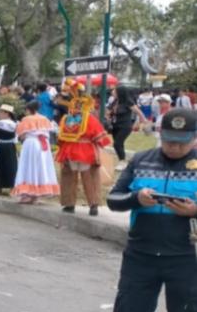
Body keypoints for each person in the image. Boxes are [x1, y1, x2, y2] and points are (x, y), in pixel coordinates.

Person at [81, 108, 197, 312]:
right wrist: (136, 198)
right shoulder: (141, 160)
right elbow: (114, 199)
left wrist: (194, 211)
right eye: (169, 140)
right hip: (141, 254)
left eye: (181, 142)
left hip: (185, 257)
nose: (173, 147)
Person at [56, 80, 111, 216]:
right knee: (91, 178)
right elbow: (99, 137)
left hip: (69, 151)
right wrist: (103, 144)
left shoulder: (65, 119)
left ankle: (69, 204)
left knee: (68, 178)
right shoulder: (89, 119)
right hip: (86, 151)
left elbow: (60, 139)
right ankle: (93, 205)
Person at [12, 101, 59, 203]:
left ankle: (29, 193)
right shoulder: (45, 119)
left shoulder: (26, 119)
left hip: (31, 143)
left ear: (28, 109)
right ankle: (36, 194)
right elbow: (49, 131)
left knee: (29, 167)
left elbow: (21, 135)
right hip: (43, 145)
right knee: (40, 167)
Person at [109, 86, 144, 162]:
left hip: (125, 126)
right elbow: (110, 112)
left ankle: (122, 161)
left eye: (115, 90)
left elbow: (139, 113)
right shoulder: (115, 101)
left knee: (117, 144)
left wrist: (139, 122)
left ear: (120, 92)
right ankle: (122, 159)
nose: (113, 92)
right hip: (115, 126)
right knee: (119, 144)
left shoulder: (128, 102)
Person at [0, 104, 18, 195]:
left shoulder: (1, 123)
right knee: (11, 167)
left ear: (7, 113)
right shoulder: (15, 124)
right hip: (11, 147)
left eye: (1, 112)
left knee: (0, 167)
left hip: (2, 147)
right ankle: (10, 186)